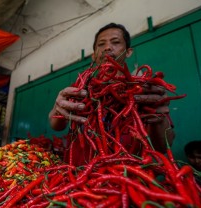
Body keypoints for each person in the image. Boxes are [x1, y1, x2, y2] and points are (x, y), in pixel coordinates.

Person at [49, 23, 175, 165]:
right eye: (101, 44)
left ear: (128, 52)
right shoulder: (79, 88)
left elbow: (163, 147)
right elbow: (56, 125)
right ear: (94, 56)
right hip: (79, 174)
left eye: (115, 42)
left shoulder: (144, 90)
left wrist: (159, 116)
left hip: (127, 179)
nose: (108, 47)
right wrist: (57, 105)